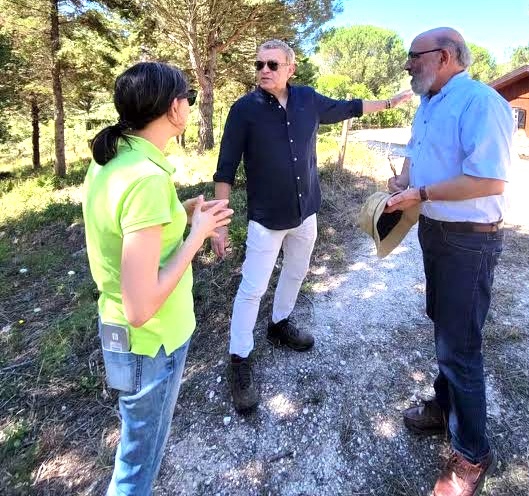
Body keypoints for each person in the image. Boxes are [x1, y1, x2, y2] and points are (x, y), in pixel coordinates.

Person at [212, 39, 412, 413]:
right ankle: (240, 360)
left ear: (291, 67)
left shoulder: (307, 99)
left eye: (272, 64)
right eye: (259, 65)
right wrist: (220, 224)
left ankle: (280, 324)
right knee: (252, 288)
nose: (264, 71)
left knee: (297, 271)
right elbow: (224, 170)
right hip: (267, 219)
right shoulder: (244, 110)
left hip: (306, 213)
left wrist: (389, 103)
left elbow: (348, 107)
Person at [82, 62, 233, 496]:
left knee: (134, 447)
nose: (190, 102)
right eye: (188, 96)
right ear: (174, 108)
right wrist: (198, 235)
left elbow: (126, 229)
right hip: (152, 342)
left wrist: (180, 213)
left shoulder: (115, 159)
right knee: (137, 465)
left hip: (123, 336)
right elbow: (141, 305)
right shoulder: (147, 179)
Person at [384, 28, 513, 496]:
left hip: (469, 241)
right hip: (436, 231)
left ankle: (472, 454)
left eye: (413, 57)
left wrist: (420, 193)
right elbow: (428, 162)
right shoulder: (430, 102)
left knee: (459, 346)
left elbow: (489, 181)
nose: (407, 66)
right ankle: (445, 407)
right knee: (444, 328)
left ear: (444, 56)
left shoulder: (480, 103)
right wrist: (405, 181)